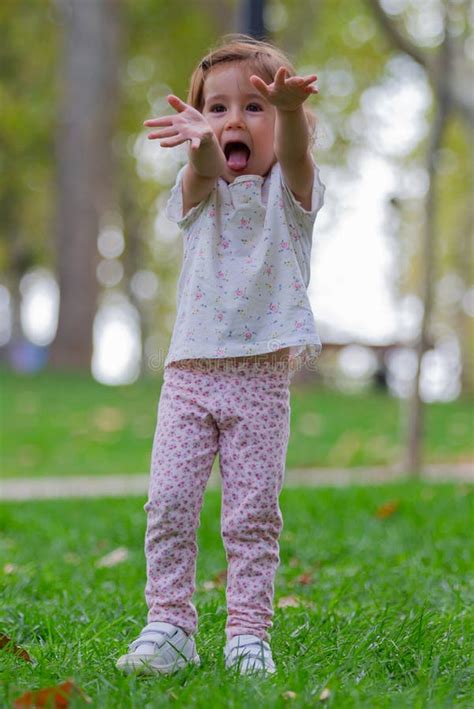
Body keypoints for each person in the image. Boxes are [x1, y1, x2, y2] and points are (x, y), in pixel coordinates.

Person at [116, 34, 325, 677]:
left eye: (253, 107)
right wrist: (204, 143)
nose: (234, 120)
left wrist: (288, 112)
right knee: (170, 502)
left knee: (252, 516)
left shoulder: (290, 200)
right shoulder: (198, 193)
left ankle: (247, 634)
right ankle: (171, 624)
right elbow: (204, 164)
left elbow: (294, 155)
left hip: (261, 377)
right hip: (190, 376)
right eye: (217, 107)